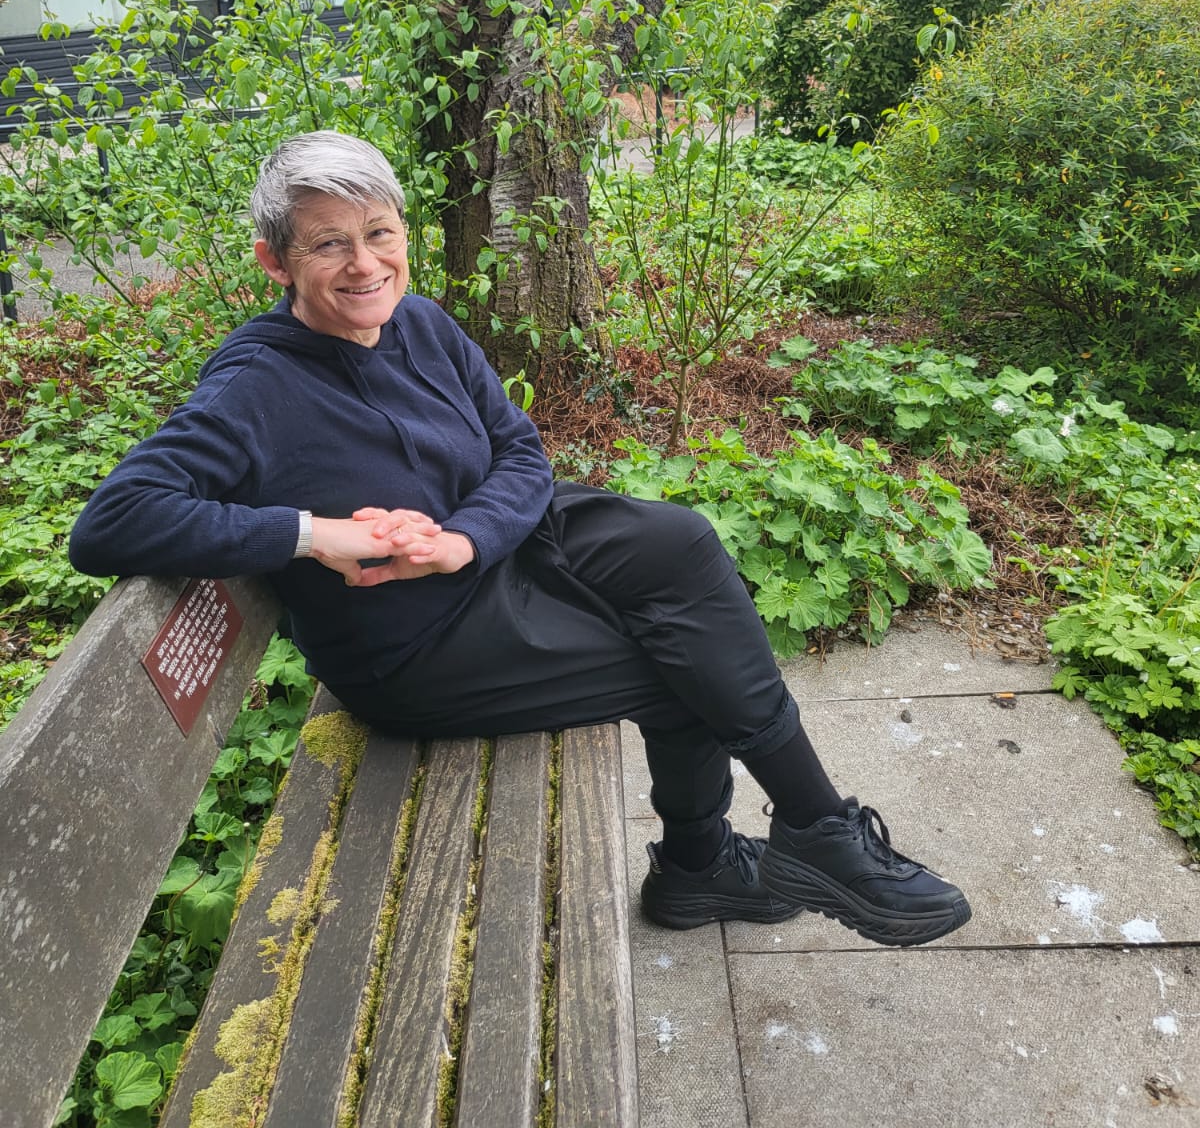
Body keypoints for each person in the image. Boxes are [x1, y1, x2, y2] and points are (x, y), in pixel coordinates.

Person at [70, 131, 970, 945]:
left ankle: (783, 841)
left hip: (498, 550)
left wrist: (463, 539)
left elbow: (517, 450)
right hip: (420, 643)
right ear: (276, 260)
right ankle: (722, 861)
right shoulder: (256, 385)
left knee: (683, 540)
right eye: (328, 243)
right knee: (683, 668)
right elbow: (113, 520)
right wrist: (315, 535)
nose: (363, 264)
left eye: (379, 232)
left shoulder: (417, 322)